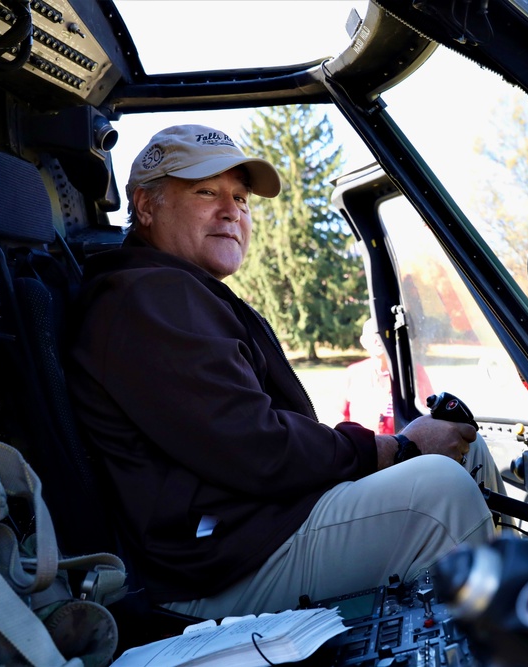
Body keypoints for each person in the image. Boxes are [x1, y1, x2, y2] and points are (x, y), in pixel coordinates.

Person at [67, 124, 502, 619]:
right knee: (438, 494)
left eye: (241, 198)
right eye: (206, 192)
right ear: (146, 207)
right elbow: (257, 447)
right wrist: (395, 448)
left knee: (463, 447)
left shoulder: (176, 292)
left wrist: (395, 450)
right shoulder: (147, 299)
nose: (231, 211)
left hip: (257, 526)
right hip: (223, 566)